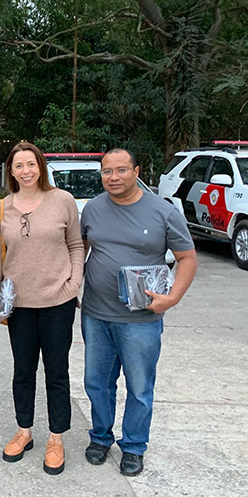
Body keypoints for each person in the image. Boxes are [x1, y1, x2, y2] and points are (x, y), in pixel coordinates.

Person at [80, 148, 197, 476]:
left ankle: (133, 446)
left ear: (137, 171)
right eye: (106, 172)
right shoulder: (92, 209)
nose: (113, 177)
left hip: (141, 318)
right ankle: (100, 437)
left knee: (140, 385)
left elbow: (187, 258)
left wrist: (172, 298)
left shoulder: (162, 211)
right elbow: (80, 250)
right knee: (97, 383)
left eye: (121, 170)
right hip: (96, 314)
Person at [0, 142, 84, 475]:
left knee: (57, 372)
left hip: (58, 300)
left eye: (31, 164)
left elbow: (75, 244)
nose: (26, 171)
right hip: (19, 305)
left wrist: (73, 284)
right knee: (23, 371)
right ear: (10, 171)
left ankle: (56, 438)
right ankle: (24, 431)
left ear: (40, 166)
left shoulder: (63, 201)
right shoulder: (1, 209)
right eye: (18, 166)